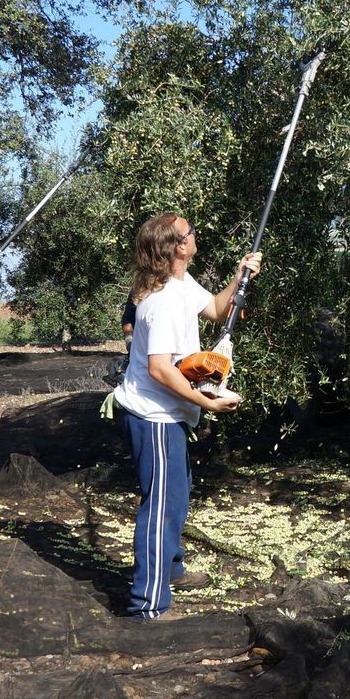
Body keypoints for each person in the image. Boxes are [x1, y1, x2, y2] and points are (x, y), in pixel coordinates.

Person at [113, 214, 261, 619]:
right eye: (191, 232)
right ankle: (148, 603)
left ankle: (171, 569)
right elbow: (160, 369)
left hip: (171, 413)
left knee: (176, 496)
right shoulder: (159, 303)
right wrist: (207, 401)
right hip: (153, 417)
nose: (196, 235)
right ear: (179, 247)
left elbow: (215, 308)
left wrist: (240, 275)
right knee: (161, 505)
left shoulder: (180, 283)